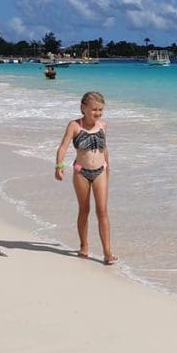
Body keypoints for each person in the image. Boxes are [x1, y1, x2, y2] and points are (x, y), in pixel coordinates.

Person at [54, 91, 117, 264]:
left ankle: (107, 252)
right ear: (83, 108)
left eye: (101, 110)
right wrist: (59, 166)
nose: (97, 113)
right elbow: (63, 148)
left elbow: (105, 149)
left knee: (102, 211)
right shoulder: (74, 126)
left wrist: (108, 167)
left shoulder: (103, 125)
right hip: (81, 172)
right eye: (94, 109)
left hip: (100, 171)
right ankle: (84, 246)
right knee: (84, 209)